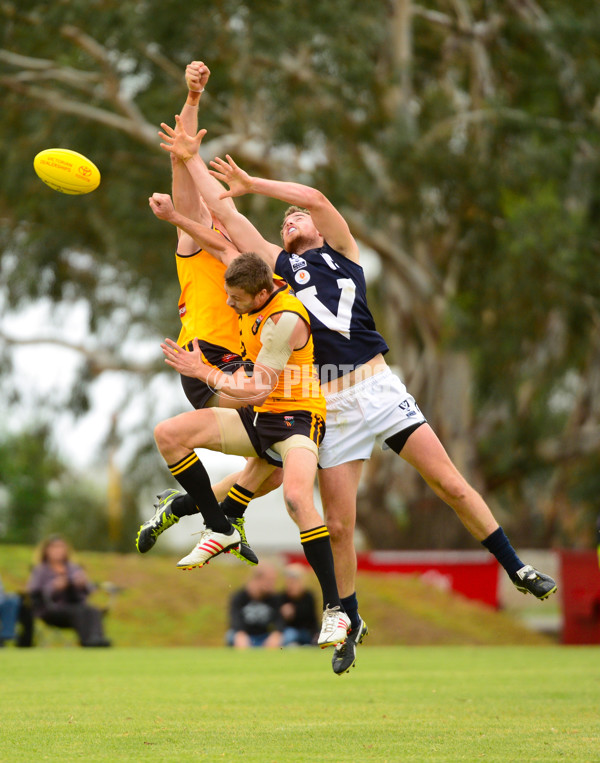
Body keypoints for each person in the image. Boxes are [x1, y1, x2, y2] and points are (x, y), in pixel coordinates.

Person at [157, 116, 558, 675]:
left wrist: (255, 184)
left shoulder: (344, 255)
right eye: (284, 219)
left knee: (447, 481)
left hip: (378, 386)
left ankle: (517, 569)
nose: (292, 217)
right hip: (333, 406)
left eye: (296, 216)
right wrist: (189, 159)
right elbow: (224, 218)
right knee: (339, 526)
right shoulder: (278, 269)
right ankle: (347, 614)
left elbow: (315, 196)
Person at [142, 209, 350, 648]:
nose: (228, 303)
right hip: (260, 419)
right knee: (170, 434)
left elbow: (255, 392)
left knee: (295, 495)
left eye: (235, 299)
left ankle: (336, 611)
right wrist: (177, 217)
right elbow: (217, 244)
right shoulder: (254, 276)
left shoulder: (283, 321)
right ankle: (219, 526)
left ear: (259, 295)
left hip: (297, 419)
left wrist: (204, 371)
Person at [135, 60, 281, 565]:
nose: (210, 205)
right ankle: (221, 525)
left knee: (279, 463)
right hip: (209, 362)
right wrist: (192, 99)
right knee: (280, 444)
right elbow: (182, 173)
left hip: (243, 367)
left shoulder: (241, 253)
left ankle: (186, 507)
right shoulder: (195, 242)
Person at [27, 535, 111, 647]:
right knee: (78, 611)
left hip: (75, 604)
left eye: (61, 547)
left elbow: (88, 589)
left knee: (93, 611)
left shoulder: (74, 568)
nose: (58, 551)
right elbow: (33, 592)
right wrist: (54, 587)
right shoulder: (40, 570)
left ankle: (97, 638)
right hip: (51, 609)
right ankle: (87, 641)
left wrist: (82, 585)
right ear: (46, 550)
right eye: (54, 547)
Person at [226, 563, 284, 649]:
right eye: (269, 580)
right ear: (257, 579)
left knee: (288, 635)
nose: (273, 584)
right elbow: (235, 618)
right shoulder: (240, 597)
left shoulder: (274, 598)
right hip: (246, 637)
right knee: (230, 635)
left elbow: (279, 619)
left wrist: (276, 633)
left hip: (264, 637)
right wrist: (241, 633)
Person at [278, 564, 319, 647]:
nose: (291, 585)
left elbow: (312, 619)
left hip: (307, 632)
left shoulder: (308, 596)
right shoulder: (282, 597)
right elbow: (279, 622)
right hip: (290, 631)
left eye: (294, 582)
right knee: (290, 635)